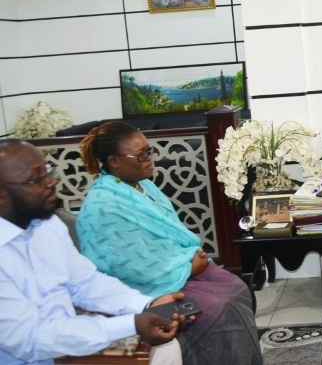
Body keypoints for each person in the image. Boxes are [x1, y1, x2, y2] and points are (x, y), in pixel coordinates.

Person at [76, 121, 261, 365]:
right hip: (146, 292)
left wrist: (188, 258)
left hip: (172, 272)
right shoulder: (102, 207)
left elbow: (167, 237)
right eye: (140, 155)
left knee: (235, 288)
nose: (149, 159)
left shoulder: (143, 186)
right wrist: (187, 267)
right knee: (217, 310)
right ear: (114, 161)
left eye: (149, 151)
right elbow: (126, 268)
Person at [0, 140, 184, 365]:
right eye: (37, 179)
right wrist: (133, 324)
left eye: (48, 170)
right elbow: (30, 338)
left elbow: (85, 282)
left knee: (165, 347)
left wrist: (146, 306)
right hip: (32, 355)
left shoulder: (46, 224)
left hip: (65, 343)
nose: (51, 182)